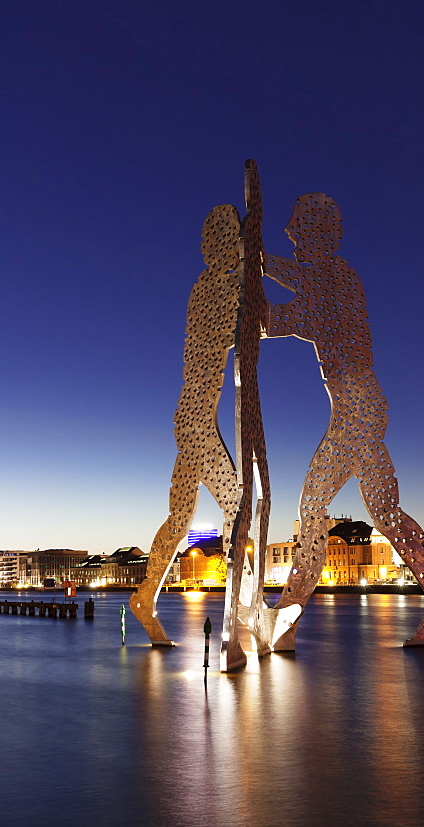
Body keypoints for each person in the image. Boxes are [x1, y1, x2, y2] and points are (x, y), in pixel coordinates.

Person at [262, 193, 424, 648]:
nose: (291, 237)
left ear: (320, 235)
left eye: (297, 231)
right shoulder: (325, 283)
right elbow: (289, 313)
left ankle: (287, 618)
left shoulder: (336, 277)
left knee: (312, 510)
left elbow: (296, 308)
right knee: (386, 513)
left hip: (357, 409)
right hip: (365, 407)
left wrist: (255, 264)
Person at [130, 204, 243, 645]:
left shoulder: (210, 286)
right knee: (234, 509)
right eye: (231, 242)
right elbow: (244, 330)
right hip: (197, 416)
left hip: (192, 415)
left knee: (181, 517)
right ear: (218, 247)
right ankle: (242, 603)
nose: (234, 250)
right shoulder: (213, 289)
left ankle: (144, 596)